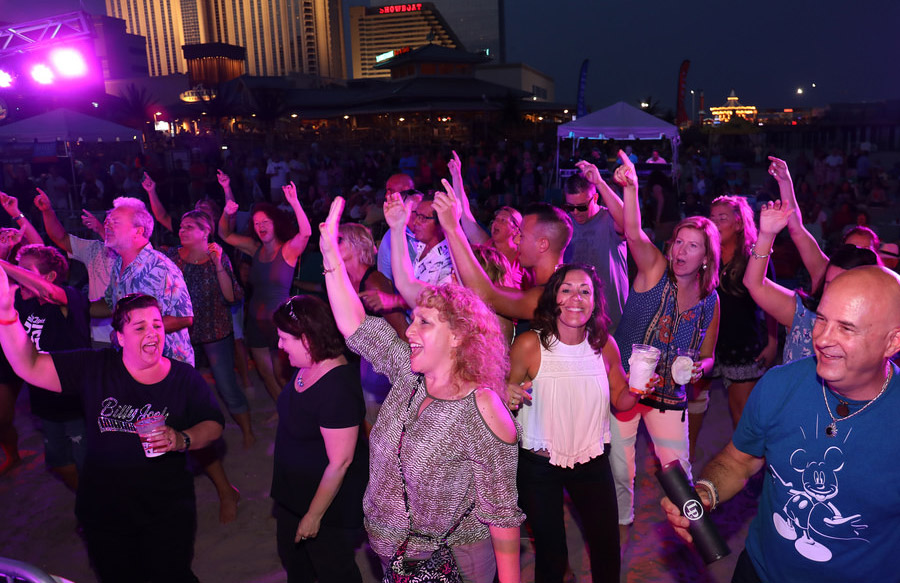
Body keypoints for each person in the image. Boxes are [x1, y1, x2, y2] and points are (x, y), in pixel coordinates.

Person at [320, 196, 523, 583]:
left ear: (459, 336)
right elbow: (354, 325)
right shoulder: (408, 376)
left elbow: (502, 515)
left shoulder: (480, 407)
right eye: (414, 320)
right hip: (390, 554)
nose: (409, 331)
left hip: (456, 560)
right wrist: (330, 256)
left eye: (424, 323)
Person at [663, 266, 900, 582]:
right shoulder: (779, 385)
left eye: (846, 328)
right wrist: (706, 492)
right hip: (760, 571)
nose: (823, 339)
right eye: (822, 319)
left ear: (892, 342)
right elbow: (740, 460)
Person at [0, 288, 225, 583]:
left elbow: (213, 424)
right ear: (119, 337)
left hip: (166, 508)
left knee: (171, 574)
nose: (153, 333)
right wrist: (6, 314)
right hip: (105, 510)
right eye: (140, 327)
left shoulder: (183, 378)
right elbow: (28, 365)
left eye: (157, 324)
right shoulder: (95, 367)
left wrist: (181, 438)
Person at [507, 264, 651, 583]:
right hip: (539, 466)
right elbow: (501, 394)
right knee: (551, 553)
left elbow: (622, 400)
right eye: (566, 289)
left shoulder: (604, 346)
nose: (576, 298)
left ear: (595, 302)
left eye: (584, 291)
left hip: (591, 461)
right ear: (553, 298)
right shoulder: (531, 344)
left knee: (606, 548)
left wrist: (641, 387)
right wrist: (507, 393)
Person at [608, 151, 720, 544]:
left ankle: (694, 537)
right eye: (679, 243)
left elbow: (709, 352)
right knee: (622, 469)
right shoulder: (655, 271)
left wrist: (700, 368)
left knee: (679, 470)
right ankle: (621, 527)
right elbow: (636, 234)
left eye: (693, 247)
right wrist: (632, 188)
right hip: (624, 388)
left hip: (671, 397)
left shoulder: (710, 299)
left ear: (707, 258)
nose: (680, 252)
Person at [270, 295, 368, 583]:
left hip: (326, 505)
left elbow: (340, 462)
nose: (279, 346)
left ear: (308, 340)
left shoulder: (337, 388)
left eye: (284, 339)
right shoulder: (305, 366)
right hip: (293, 494)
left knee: (333, 571)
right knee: (297, 565)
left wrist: (314, 516)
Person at [0, 246, 91, 490]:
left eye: (24, 270)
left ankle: (100, 510)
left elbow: (48, 292)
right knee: (59, 463)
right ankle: (87, 500)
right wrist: (5, 254)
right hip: (44, 405)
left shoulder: (69, 298)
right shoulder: (23, 301)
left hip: (75, 404)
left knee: (89, 465)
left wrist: (5, 264)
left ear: (49, 276)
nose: (17, 275)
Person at [165, 210, 255, 448]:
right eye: (181, 226)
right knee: (181, 383)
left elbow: (230, 296)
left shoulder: (218, 256)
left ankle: (247, 431)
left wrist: (217, 264)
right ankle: (190, 433)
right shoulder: (172, 256)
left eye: (189, 227)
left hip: (215, 328)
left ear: (205, 232)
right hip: (181, 330)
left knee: (226, 383)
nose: (182, 230)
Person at [218, 182, 312, 401]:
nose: (260, 226)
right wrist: (226, 211)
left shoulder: (288, 250)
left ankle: (299, 412)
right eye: (257, 223)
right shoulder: (254, 248)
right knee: (265, 373)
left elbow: (306, 233)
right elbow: (224, 233)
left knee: (282, 375)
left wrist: (295, 202)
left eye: (265, 222)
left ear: (275, 223)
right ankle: (283, 412)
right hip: (254, 320)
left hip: (280, 322)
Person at [706, 195, 777, 427]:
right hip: (712, 344)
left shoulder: (754, 257)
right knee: (697, 405)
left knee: (743, 414)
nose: (715, 223)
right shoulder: (707, 256)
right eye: (712, 217)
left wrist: (773, 342)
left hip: (743, 345)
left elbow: (772, 303)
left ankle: (750, 461)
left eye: (722, 218)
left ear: (738, 224)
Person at [338, 222, 408, 428]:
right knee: (369, 418)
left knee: (378, 423)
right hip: (366, 356)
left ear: (356, 244)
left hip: (386, 361)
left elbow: (403, 330)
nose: (333, 244)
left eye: (339, 240)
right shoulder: (343, 279)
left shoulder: (374, 281)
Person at [562, 161, 629, 333]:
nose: (575, 212)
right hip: (578, 319)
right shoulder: (566, 223)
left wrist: (600, 182)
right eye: (570, 207)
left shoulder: (608, 218)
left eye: (582, 207)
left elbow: (627, 220)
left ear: (595, 198)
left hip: (612, 319)